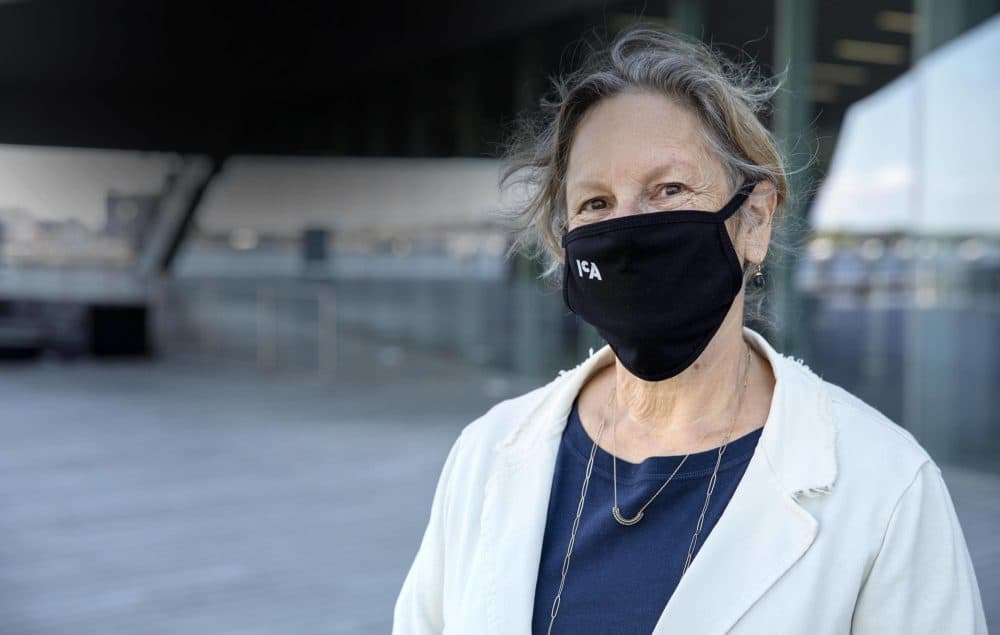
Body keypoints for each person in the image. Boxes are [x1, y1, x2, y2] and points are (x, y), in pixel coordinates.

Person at [392, 27, 987, 634]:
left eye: (668, 190)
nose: (627, 230)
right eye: (596, 204)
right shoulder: (486, 456)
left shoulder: (885, 488)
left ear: (754, 218)